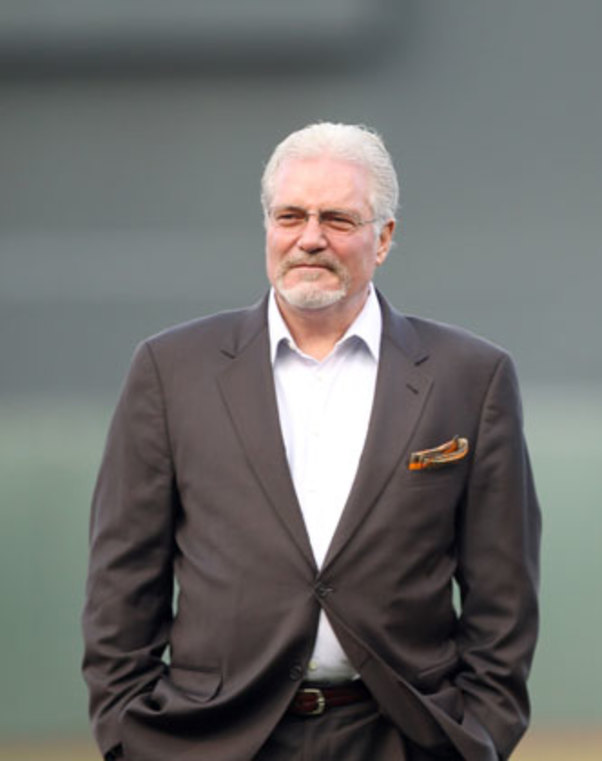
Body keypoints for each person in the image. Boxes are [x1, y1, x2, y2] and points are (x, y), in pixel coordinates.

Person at [82, 122, 541, 761]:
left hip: (404, 737)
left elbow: (504, 595)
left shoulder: (471, 377)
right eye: (290, 215)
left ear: (384, 238)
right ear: (267, 227)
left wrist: (478, 732)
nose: (310, 238)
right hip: (213, 740)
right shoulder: (169, 370)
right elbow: (121, 583)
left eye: (338, 219)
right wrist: (130, 733)